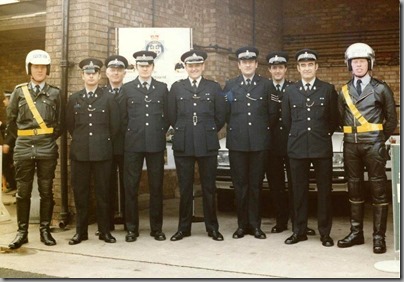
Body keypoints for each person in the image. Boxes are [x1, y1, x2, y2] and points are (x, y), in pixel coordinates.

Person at [337, 43, 397, 254]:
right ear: (349, 65)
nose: (359, 65)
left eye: (362, 61)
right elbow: (339, 118)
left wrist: (378, 139)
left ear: (370, 64)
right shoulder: (344, 90)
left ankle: (379, 238)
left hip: (374, 146)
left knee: (378, 191)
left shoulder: (381, 88)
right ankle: (356, 233)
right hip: (351, 146)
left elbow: (391, 121)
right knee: (354, 188)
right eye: (355, 62)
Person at [167, 50, 226, 241]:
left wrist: (207, 130)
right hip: (183, 143)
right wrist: (184, 130)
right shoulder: (177, 87)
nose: (194, 69)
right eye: (190, 65)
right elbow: (171, 115)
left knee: (209, 187)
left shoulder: (213, 87)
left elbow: (220, 116)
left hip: (207, 142)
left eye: (197, 65)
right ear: (185, 67)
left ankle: (212, 228)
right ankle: (183, 228)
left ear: (203, 66)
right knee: (185, 187)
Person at [282, 48, 339, 247]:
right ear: (298, 68)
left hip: (321, 146)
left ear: (316, 67)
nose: (307, 68)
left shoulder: (327, 89)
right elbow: (287, 121)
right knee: (298, 191)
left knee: (324, 191)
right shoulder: (290, 91)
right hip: (297, 147)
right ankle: (299, 231)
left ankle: (325, 233)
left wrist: (320, 134)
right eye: (303, 65)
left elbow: (333, 120)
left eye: (310, 65)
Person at [6, 49, 62, 249]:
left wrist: (45, 137)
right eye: (36, 67)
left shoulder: (55, 93)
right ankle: (22, 233)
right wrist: (25, 136)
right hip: (23, 147)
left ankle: (45, 231)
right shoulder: (19, 91)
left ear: (48, 70)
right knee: (23, 191)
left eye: (43, 67)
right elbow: (11, 121)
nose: (39, 70)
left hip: (46, 146)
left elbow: (60, 123)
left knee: (46, 191)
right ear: (29, 69)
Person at [224, 46, 276, 240]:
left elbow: (272, 113)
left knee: (255, 185)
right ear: (239, 65)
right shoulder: (230, 85)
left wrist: (258, 132)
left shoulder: (266, 85)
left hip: (259, 143)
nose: (247, 65)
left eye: (250, 62)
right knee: (240, 186)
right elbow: (226, 112)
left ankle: (255, 225)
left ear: (256, 64)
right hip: (237, 143)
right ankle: (241, 225)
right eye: (243, 62)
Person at [66, 58, 120, 245]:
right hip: (80, 153)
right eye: (87, 73)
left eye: (94, 73)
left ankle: (105, 231)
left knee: (103, 193)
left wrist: (99, 141)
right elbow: (70, 126)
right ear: (82, 76)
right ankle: (81, 232)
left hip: (102, 152)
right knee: (80, 193)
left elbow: (114, 126)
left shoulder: (109, 98)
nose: (90, 76)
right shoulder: (74, 99)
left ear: (99, 76)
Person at [265, 51, 316, 236]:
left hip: (293, 142)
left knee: (296, 185)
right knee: (276, 185)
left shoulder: (294, 88)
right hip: (271, 144)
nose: (277, 71)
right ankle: (281, 221)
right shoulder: (264, 89)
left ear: (286, 69)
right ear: (269, 70)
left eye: (281, 67)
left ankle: (299, 222)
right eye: (274, 67)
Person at [121, 50, 169, 242]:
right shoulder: (127, 89)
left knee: (156, 187)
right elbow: (122, 118)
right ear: (136, 67)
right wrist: (132, 134)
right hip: (133, 144)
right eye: (141, 65)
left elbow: (167, 115)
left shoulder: (162, 88)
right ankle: (132, 228)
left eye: (148, 65)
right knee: (131, 187)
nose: (145, 68)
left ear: (153, 67)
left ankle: (156, 229)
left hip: (155, 144)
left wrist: (159, 131)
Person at [104, 55, 128, 231]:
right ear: (106, 72)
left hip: (128, 146)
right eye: (112, 70)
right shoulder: (100, 93)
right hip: (106, 146)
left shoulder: (131, 91)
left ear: (124, 73)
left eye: (119, 70)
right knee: (106, 185)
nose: (116, 73)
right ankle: (107, 223)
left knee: (128, 185)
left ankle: (129, 222)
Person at [1, 91, 16, 195]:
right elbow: (8, 127)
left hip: (12, 145)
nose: (3, 101)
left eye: (5, 99)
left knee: (11, 166)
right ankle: (12, 184)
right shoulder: (9, 111)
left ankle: (14, 185)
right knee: (5, 165)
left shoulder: (13, 112)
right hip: (9, 143)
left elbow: (14, 128)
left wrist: (8, 142)